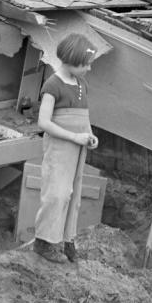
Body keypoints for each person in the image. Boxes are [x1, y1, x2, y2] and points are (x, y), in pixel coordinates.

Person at [33, 33, 99, 263]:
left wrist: (90, 135)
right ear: (71, 61)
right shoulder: (53, 84)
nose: (89, 69)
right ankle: (44, 241)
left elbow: (84, 116)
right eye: (86, 64)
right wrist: (74, 136)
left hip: (78, 148)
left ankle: (65, 239)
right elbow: (44, 122)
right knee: (56, 194)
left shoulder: (82, 84)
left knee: (73, 195)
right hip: (60, 147)